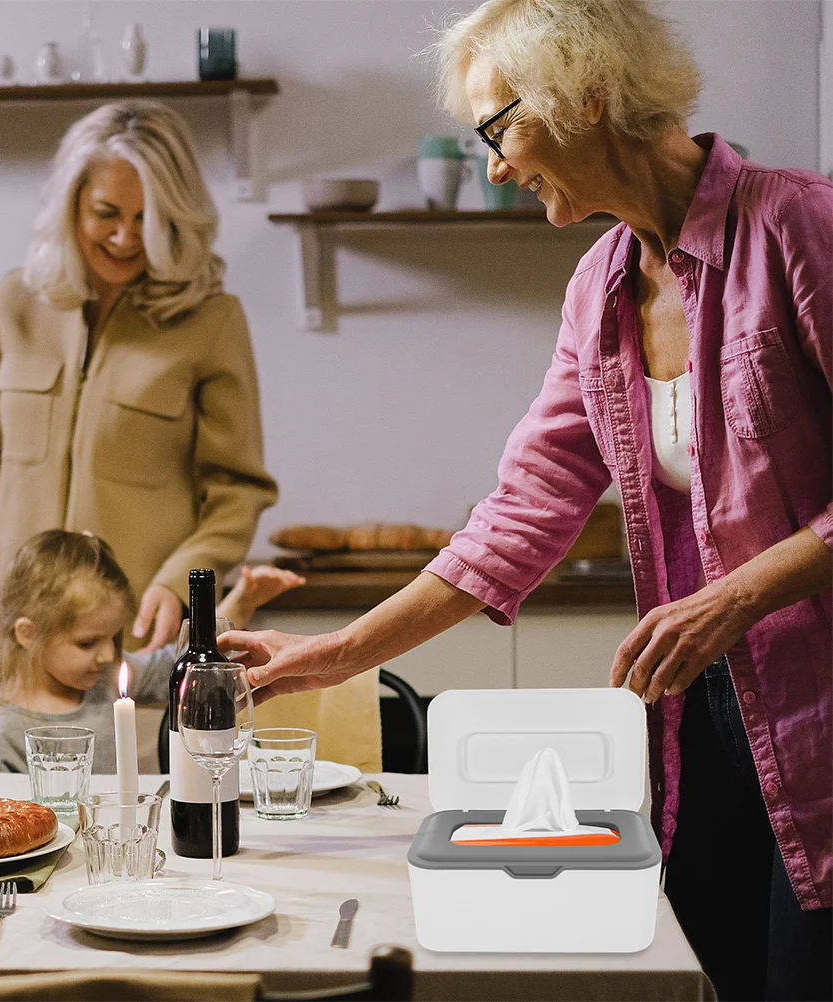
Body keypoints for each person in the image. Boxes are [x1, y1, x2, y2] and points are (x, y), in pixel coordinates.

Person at [219, 3, 832, 999]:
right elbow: (522, 513)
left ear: (586, 96)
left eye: (499, 128)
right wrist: (326, 658)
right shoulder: (599, 291)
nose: (496, 166)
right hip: (708, 712)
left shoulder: (798, 226)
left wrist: (739, 596)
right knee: (711, 967)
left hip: (819, 710)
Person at [0, 100, 278, 654]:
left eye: (149, 218)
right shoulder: (15, 302)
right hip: (21, 630)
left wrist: (182, 582)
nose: (126, 236)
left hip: (139, 633)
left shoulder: (212, 320)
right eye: (107, 212)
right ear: (70, 207)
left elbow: (238, 490)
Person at [0, 530, 304, 773]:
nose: (108, 656)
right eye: (87, 642)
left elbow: (184, 661)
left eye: (114, 638)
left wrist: (242, 602)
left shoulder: (103, 680)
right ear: (28, 634)